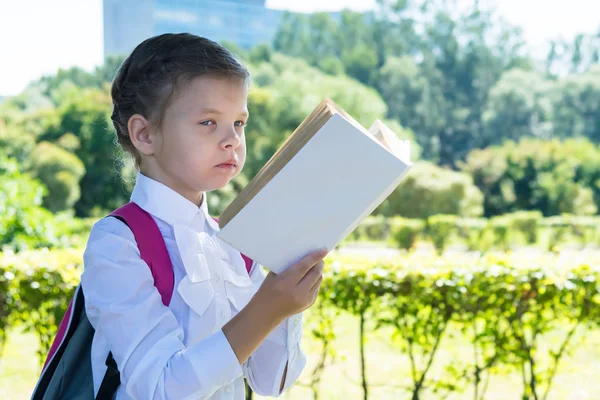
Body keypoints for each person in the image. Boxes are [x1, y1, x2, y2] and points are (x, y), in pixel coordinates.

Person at [81, 32, 327, 399]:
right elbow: (160, 389)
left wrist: (287, 300)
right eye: (208, 122)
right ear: (145, 134)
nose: (232, 140)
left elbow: (270, 380)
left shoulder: (237, 241)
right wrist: (266, 308)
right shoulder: (118, 243)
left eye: (239, 123)